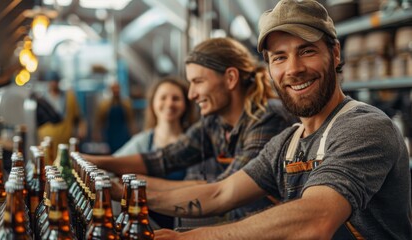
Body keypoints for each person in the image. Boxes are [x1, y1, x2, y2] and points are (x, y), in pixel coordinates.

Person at [149, 0, 412, 239]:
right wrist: (126, 192)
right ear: (269, 69)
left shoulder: (364, 127)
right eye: (279, 57)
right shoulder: (287, 143)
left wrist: (190, 237)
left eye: (307, 51)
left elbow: (316, 219)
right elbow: (220, 193)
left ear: (335, 54)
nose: (294, 69)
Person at [84, 37, 296, 223]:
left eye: (198, 82)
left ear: (231, 78)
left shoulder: (267, 118)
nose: (192, 94)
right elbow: (164, 158)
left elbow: (222, 191)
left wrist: (127, 191)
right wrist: (94, 161)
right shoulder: (215, 123)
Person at [113, 77, 198, 228]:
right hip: (149, 227)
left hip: (186, 227)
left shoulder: (197, 143)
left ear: (186, 104)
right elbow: (112, 168)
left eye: (176, 98)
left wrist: (145, 182)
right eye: (163, 98)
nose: (169, 103)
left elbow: (204, 188)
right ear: (153, 103)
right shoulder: (143, 141)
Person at [37, 71, 87, 161]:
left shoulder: (69, 97)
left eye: (55, 81)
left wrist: (81, 129)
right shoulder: (41, 98)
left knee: (64, 162)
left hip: (65, 138)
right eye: (51, 81)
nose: (53, 84)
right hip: (47, 139)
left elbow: (78, 116)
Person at [94, 81, 136, 153]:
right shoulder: (104, 105)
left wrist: (133, 132)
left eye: (117, 88)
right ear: (110, 90)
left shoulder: (126, 103)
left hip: (123, 133)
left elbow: (131, 120)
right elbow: (99, 121)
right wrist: (97, 133)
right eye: (114, 88)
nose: (116, 90)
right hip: (111, 133)